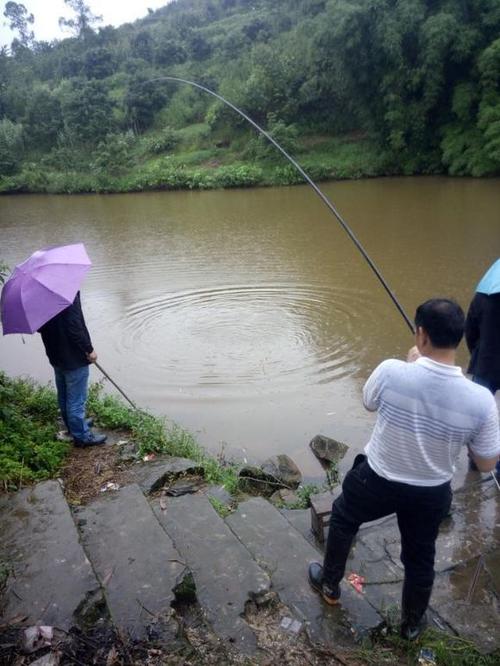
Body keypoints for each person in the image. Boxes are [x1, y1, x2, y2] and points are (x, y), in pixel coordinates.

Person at [308, 299, 500, 640]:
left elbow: (369, 402)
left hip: (377, 480)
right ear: (459, 338)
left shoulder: (392, 371)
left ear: (421, 334)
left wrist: (411, 363)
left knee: (343, 517)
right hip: (431, 493)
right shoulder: (481, 400)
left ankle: (330, 584)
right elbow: (486, 463)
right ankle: (411, 625)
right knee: (420, 556)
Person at [39, 291, 107, 447]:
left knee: (63, 395)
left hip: (55, 355)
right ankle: (82, 436)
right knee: (76, 400)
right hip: (73, 357)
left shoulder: (41, 296)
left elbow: (40, 327)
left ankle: (73, 426)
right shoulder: (68, 292)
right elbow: (75, 326)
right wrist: (89, 350)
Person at [465, 291, 500, 477]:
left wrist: (475, 353)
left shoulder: (486, 294)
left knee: (476, 416)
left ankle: (475, 463)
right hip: (484, 362)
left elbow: (470, 327)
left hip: (485, 362)